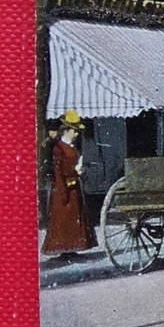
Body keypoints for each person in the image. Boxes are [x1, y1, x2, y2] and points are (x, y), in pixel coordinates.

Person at [43, 109, 95, 256]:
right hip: (64, 188)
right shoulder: (59, 148)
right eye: (75, 131)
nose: (77, 135)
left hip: (73, 188)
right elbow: (59, 171)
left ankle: (72, 248)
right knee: (64, 219)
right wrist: (73, 175)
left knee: (74, 218)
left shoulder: (71, 147)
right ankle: (64, 249)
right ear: (66, 131)